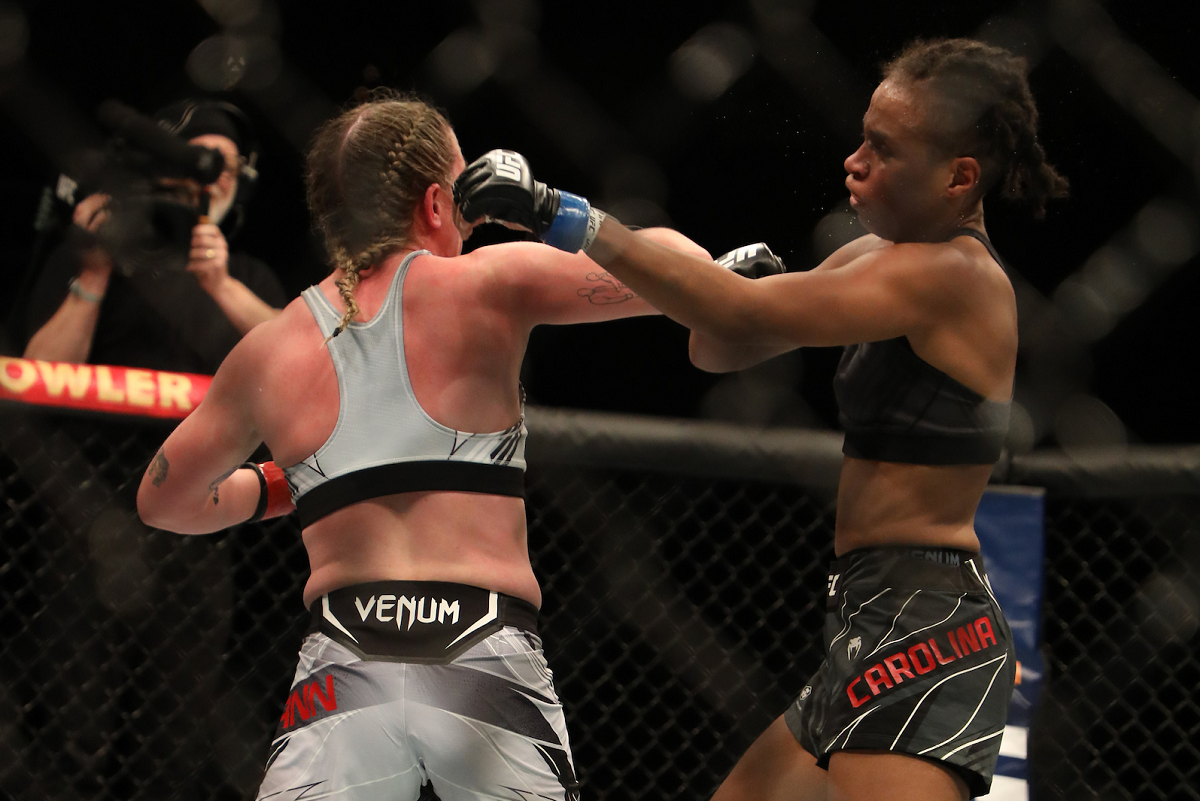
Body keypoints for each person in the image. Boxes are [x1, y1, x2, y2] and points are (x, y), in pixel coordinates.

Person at [455, 38, 1068, 800]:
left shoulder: (955, 276)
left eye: (884, 149)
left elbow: (734, 314)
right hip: (868, 613)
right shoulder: (874, 259)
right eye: (862, 137)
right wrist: (733, 287)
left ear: (959, 177)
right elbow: (719, 346)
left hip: (924, 624)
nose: (854, 162)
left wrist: (561, 214)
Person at [135, 90, 709, 801]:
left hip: (343, 664)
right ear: (438, 204)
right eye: (464, 196)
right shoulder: (487, 282)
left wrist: (294, 482)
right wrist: (547, 208)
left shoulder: (270, 347)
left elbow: (164, 501)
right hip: (484, 652)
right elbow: (684, 267)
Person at [23, 99, 286, 373]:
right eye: (197, 160)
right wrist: (93, 275)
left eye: (228, 167)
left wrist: (222, 285)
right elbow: (38, 376)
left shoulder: (250, 275)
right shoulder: (88, 256)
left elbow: (291, 359)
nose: (212, 177)